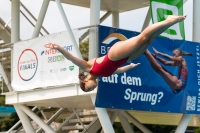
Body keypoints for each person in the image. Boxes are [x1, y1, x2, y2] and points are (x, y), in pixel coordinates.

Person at [44, 15, 187, 92]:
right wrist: (131, 67)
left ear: (85, 80)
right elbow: (119, 70)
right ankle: (168, 22)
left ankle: (169, 21)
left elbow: (72, 59)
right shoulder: (104, 75)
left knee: (142, 38)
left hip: (115, 54)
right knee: (149, 41)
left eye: (90, 88)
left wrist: (59, 48)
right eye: (92, 89)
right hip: (128, 58)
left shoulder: (88, 67)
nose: (94, 88)